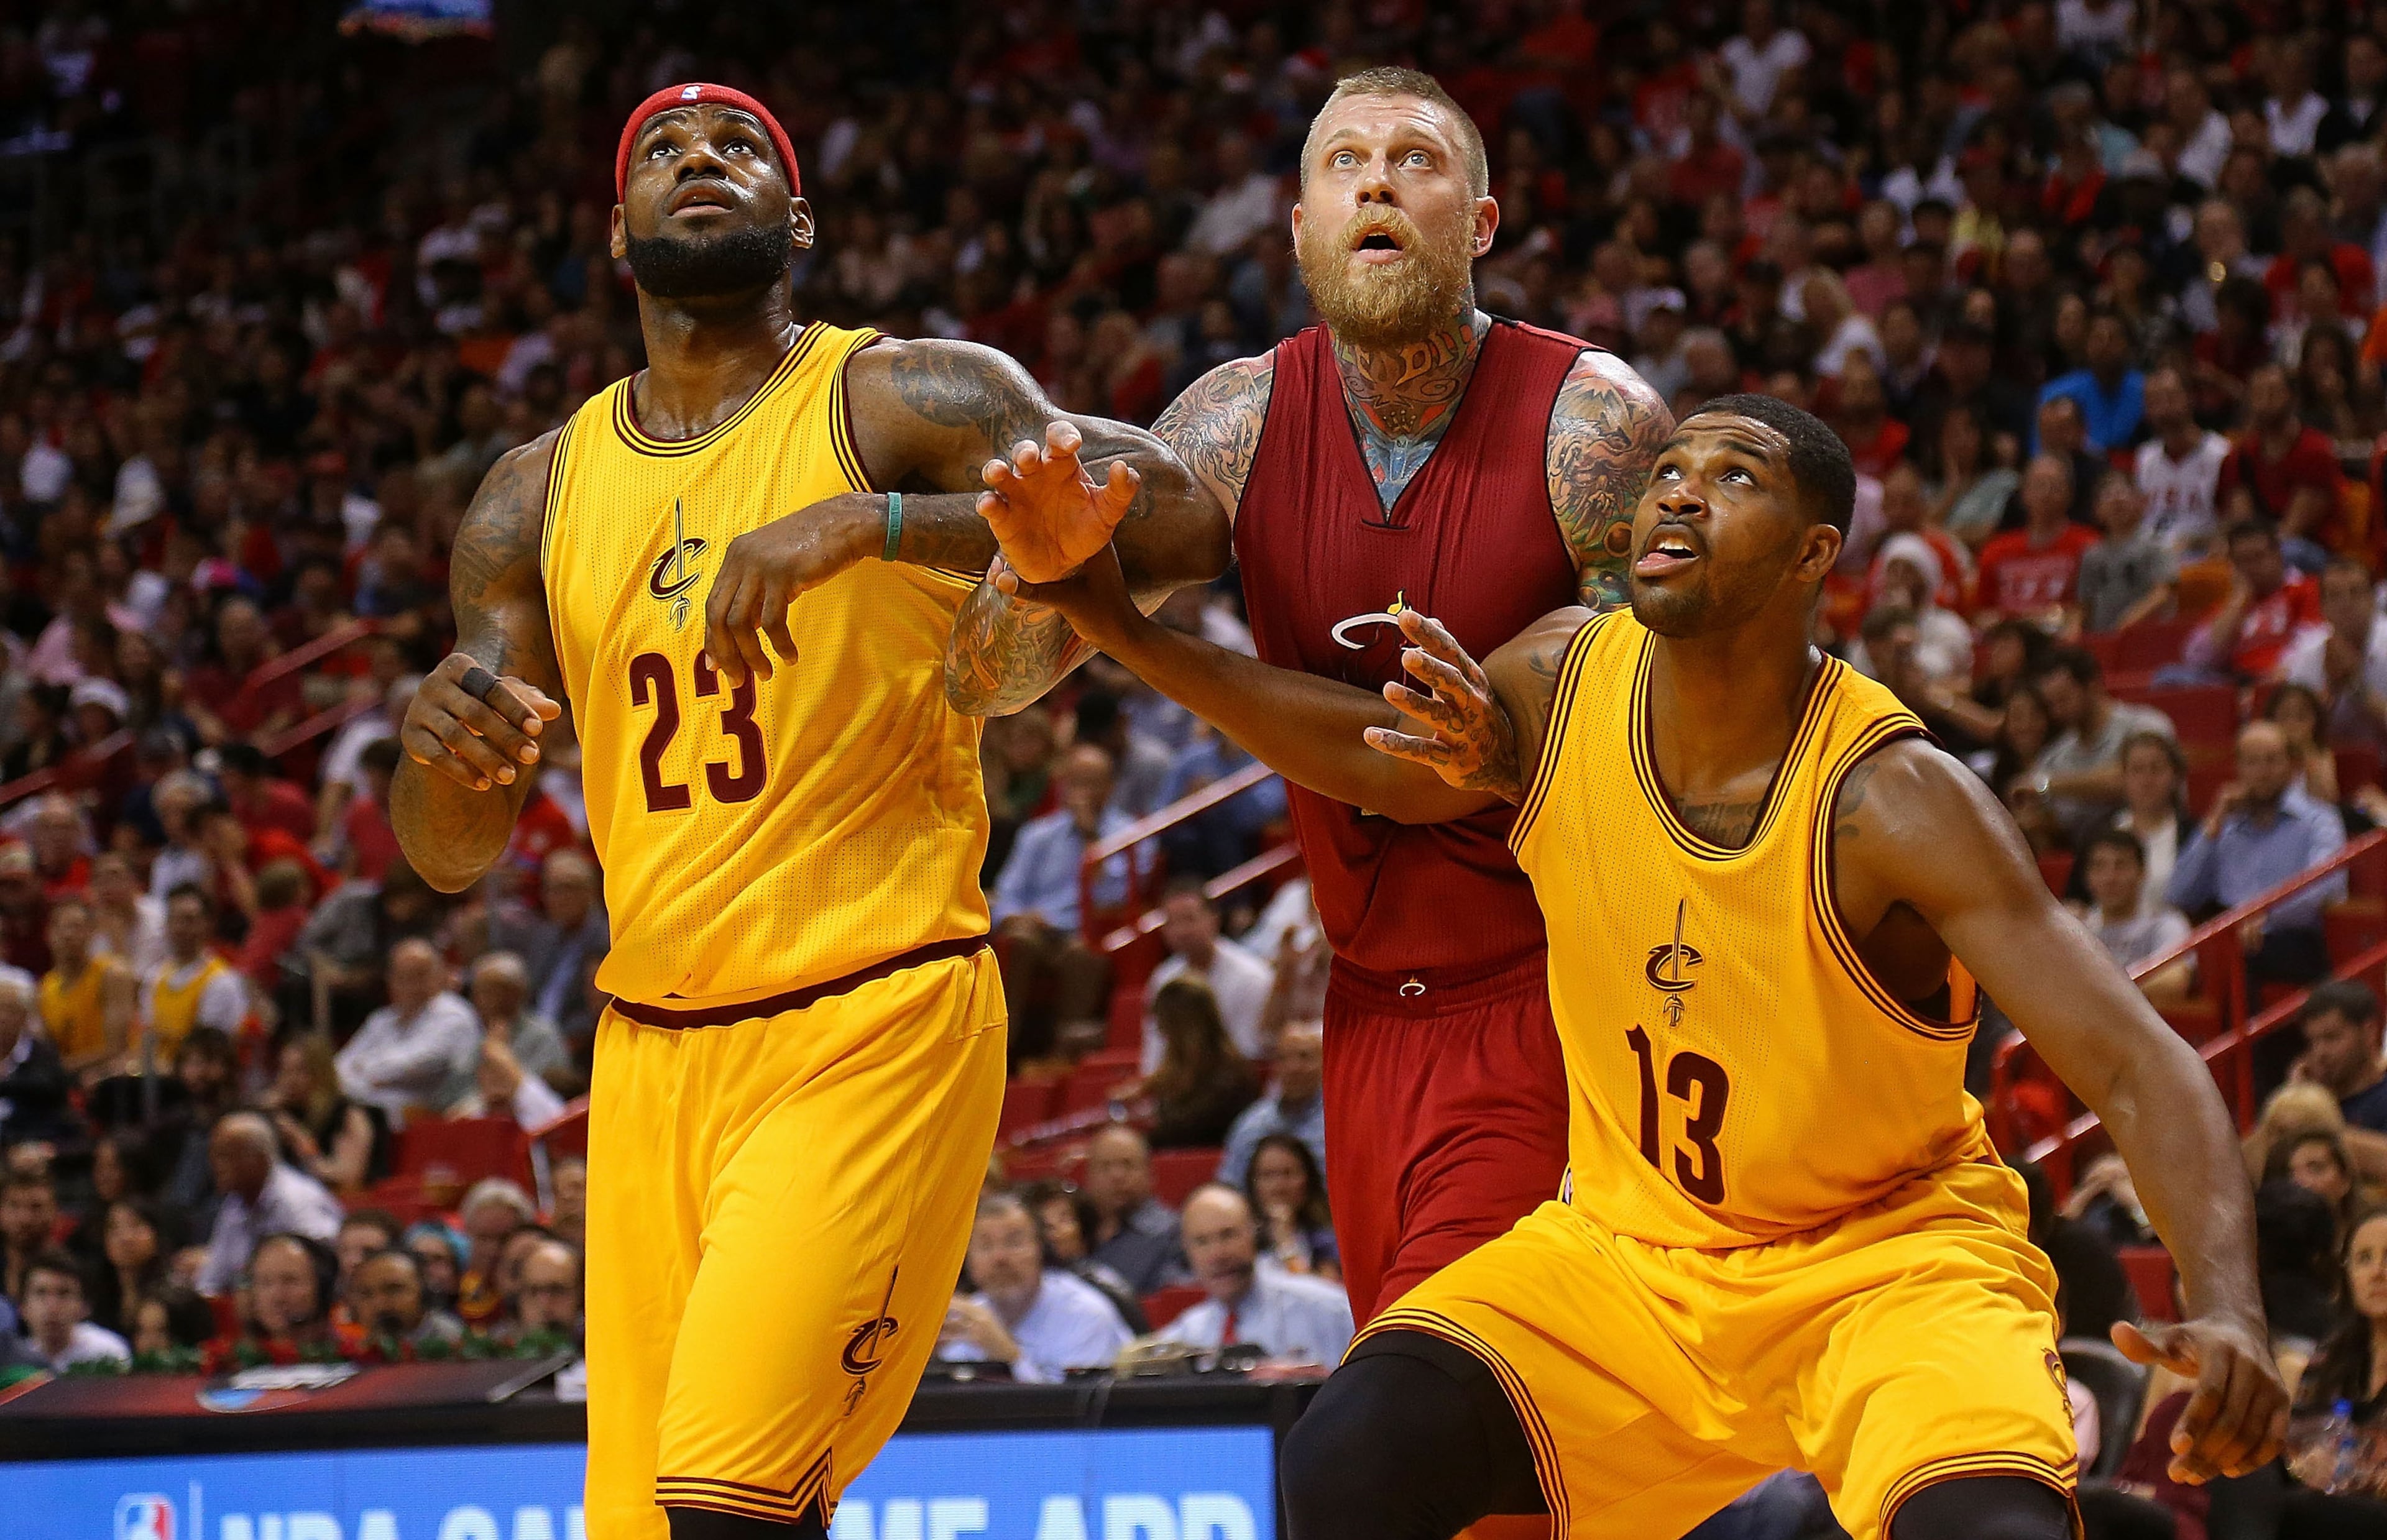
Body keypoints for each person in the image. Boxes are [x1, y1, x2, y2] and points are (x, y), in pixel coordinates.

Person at [389, 78, 1224, 1540]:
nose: (697, 160)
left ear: (802, 217)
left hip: (870, 1010)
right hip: (650, 1061)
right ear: (612, 229)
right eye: (662, 149)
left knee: (728, 1508)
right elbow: (445, 854)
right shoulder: (533, 495)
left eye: (737, 149)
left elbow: (1170, 511)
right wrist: (437, 754)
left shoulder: (899, 397)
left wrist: (878, 522)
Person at [1271, 395, 2288, 1540]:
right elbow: (1366, 752)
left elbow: (2137, 1062)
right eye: (1669, 466)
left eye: (1735, 474)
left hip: (1887, 1260)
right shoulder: (1563, 681)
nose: (1681, 487)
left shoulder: (1896, 800)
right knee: (1348, 1455)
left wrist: (2231, 1308)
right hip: (1632, 1258)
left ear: (1816, 554)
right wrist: (1123, 625)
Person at [946, 65, 1670, 1329]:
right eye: (1344, 164)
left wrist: (1105, 614)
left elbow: (1612, 754)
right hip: (1360, 1021)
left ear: (1483, 223)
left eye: (1417, 160)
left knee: (1430, 1425)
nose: (1378, 181)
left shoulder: (1594, 430)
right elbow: (993, 683)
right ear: (1297, 230)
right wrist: (1039, 563)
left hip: (1558, 1001)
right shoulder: (1230, 424)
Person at [2168, 721, 2346, 991]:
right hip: (2229, 933)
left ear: (2291, 765)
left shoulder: (2318, 819)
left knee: (2235, 955)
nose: (2262, 772)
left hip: (2293, 935)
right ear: (2239, 769)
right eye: (2252, 762)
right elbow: (2179, 895)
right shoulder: (2224, 825)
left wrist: (2267, 916)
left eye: (2272, 761)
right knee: (2195, 960)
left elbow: (2325, 887)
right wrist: (2212, 826)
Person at [938, 1191, 1133, 1383]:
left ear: (1042, 1249)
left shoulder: (1086, 1316)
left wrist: (1008, 1356)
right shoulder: (966, 1318)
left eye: (1014, 1243)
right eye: (985, 1246)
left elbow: (1070, 1410)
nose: (1000, 1258)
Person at [1157, 1185, 1354, 1365]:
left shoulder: (1328, 1310)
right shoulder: (1185, 1336)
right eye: (1202, 1241)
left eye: (1228, 1235)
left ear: (1254, 1234)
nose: (1217, 1254)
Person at [2029, 646, 2178, 838]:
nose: (2056, 711)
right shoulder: (2055, 756)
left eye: (2064, 699)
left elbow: (2128, 780)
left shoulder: (2145, 724)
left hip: (2157, 843)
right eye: (2051, 704)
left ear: (2092, 686)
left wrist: (2048, 786)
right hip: (2089, 858)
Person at [196, 1111, 343, 1295]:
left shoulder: (296, 1200)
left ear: (260, 1158)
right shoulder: (236, 1202)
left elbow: (324, 1273)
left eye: (227, 1156)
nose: (216, 1166)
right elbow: (212, 1280)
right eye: (215, 1156)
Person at [333, 937, 480, 1121]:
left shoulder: (454, 1014)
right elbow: (340, 1067)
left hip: (434, 1118)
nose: (410, 986)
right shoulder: (382, 1019)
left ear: (440, 975)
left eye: (420, 976)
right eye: (402, 977)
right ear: (390, 980)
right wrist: (365, 1078)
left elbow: (417, 1064)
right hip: (370, 1108)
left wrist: (364, 1068)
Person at [1140, 881, 1274, 1071]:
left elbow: (1249, 1053)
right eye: (1172, 923)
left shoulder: (1251, 976)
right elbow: (1155, 1050)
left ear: (1214, 919)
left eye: (1189, 919)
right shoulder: (1163, 978)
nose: (1181, 931)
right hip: (1178, 1085)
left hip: (1234, 1084)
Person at [2179, 521, 2324, 682]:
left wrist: (2284, 671)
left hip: (2287, 679)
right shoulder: (2231, 604)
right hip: (2237, 681)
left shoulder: (2306, 588)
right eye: (2243, 560)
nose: (2251, 567)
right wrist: (2238, 602)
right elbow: (2198, 659)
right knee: (2173, 676)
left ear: (2277, 554)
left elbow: (2314, 641)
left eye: (2258, 556)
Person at [1129, 976, 1259, 1148]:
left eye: (1165, 1026)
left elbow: (1180, 1133)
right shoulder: (1179, 1075)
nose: (1161, 1033)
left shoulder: (1228, 1080)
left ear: (1182, 1028)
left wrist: (1130, 1133)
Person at [2072, 830, 2194, 1006]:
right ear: (2086, 877)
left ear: (2142, 872)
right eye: (2099, 867)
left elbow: (2174, 981)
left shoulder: (2167, 923)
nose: (2110, 878)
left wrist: (2094, 990)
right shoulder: (2076, 927)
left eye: (2121, 866)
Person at [1975, 455, 2100, 624]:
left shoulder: (2089, 545)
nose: (2046, 494)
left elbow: (2090, 608)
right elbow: (1982, 615)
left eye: (2055, 487)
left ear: (2069, 494)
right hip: (2009, 640)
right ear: (2024, 493)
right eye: (2039, 485)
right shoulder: (1996, 550)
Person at [2278, 559, 2387, 754]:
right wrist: (2332, 690)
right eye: (2335, 596)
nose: (2346, 603)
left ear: (2372, 600)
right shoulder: (2307, 653)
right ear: (2322, 607)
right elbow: (2292, 736)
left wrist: (2357, 690)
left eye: (2356, 592)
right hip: (2332, 765)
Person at [2133, 365, 2232, 562]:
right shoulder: (2145, 457)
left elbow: (2234, 524)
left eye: (2170, 397)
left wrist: (2195, 542)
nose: (2163, 408)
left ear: (2190, 398)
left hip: (2199, 557)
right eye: (2154, 401)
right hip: (2147, 560)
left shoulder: (2222, 454)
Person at [264, 1032, 382, 1194]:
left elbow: (348, 1180)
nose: (291, 1079)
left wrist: (302, 1143)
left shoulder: (348, 1115)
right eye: (285, 1070)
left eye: (300, 1071)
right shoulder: (276, 1112)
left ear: (322, 1073)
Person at [142, 884, 246, 1069]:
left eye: (189, 920)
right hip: (157, 1076)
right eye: (174, 920)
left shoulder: (221, 981)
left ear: (208, 925)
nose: (180, 928)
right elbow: (147, 1036)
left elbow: (208, 1050)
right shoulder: (155, 977)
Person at [1220, 1019, 1328, 1187]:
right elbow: (1230, 1187)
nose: (1293, 1067)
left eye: (1305, 1057)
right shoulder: (1252, 1125)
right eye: (1283, 1058)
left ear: (1326, 1063)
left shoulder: (1344, 1124)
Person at [1079, 1124, 1186, 1294]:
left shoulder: (1175, 1233)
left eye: (1128, 1165)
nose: (1117, 1176)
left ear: (1151, 1175)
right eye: (1105, 1166)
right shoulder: (1075, 1233)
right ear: (1088, 1178)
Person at [37, 894, 133, 1079]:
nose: (68, 935)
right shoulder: (45, 987)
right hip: (67, 1079)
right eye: (61, 928)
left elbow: (117, 1047)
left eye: (76, 927)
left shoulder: (112, 975)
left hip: (112, 1077)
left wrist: (58, 1069)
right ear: (49, 934)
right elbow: (46, 1049)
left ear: (92, 932)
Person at [2075, 475, 2176, 635]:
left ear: (2142, 502)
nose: (2116, 501)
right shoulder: (2092, 555)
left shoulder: (2157, 544)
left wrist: (2126, 623)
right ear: (2097, 510)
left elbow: (2163, 593)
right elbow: (2085, 605)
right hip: (2102, 638)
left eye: (2123, 494)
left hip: (2145, 635)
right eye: (2108, 496)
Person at [4, 1250, 128, 1372]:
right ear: (22, 1307)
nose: (52, 1307)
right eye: (41, 1293)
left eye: (64, 1293)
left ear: (85, 1306)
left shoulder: (108, 1352)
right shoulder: (10, 1360)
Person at [1246, 1131, 1341, 1281]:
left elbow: (1324, 1293)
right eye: (1267, 1175)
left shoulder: (1325, 1235)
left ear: (1308, 1179)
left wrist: (1286, 1241)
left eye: (1288, 1174)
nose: (1278, 1187)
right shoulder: (1239, 1234)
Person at [0, 969, 74, 1155]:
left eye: (11, 1010)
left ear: (25, 1017)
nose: (3, 1018)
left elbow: (47, 1090)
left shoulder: (43, 1053)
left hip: (31, 1140)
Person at [346, 1247, 466, 1352]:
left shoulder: (457, 1343)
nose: (380, 1305)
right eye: (366, 1294)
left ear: (424, 1290)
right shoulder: (350, 1350)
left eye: (393, 1290)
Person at [513, 1237, 586, 1345]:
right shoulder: (497, 1353)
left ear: (580, 1294)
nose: (545, 1304)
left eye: (557, 1290)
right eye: (534, 1290)